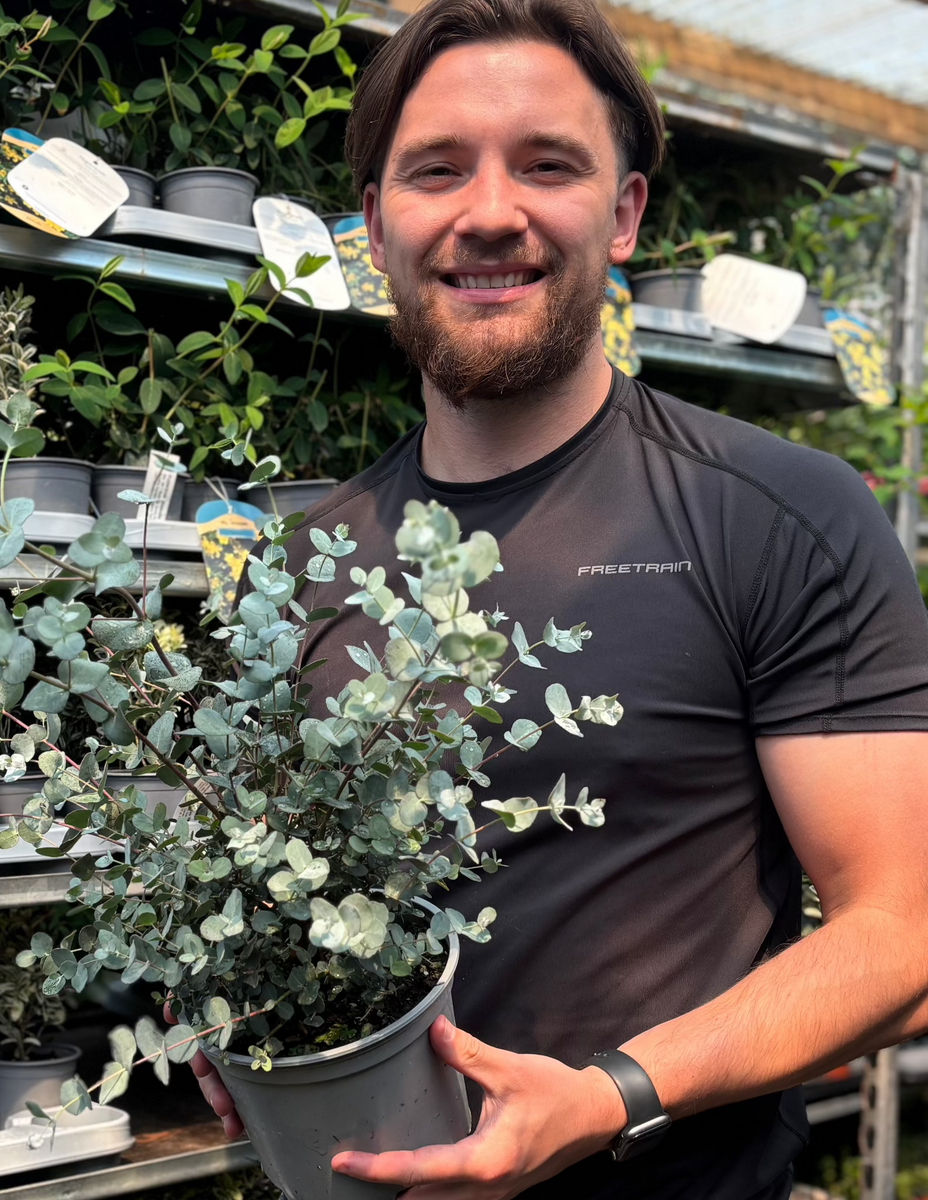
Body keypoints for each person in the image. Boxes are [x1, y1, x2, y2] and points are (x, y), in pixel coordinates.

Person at [189, 0, 928, 1195]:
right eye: (437, 171)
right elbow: (275, 883)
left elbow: (902, 936)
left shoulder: (777, 517)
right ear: (374, 227)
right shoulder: (301, 566)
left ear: (624, 211)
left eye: (548, 165)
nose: (491, 213)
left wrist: (608, 1097)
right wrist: (225, 1004)